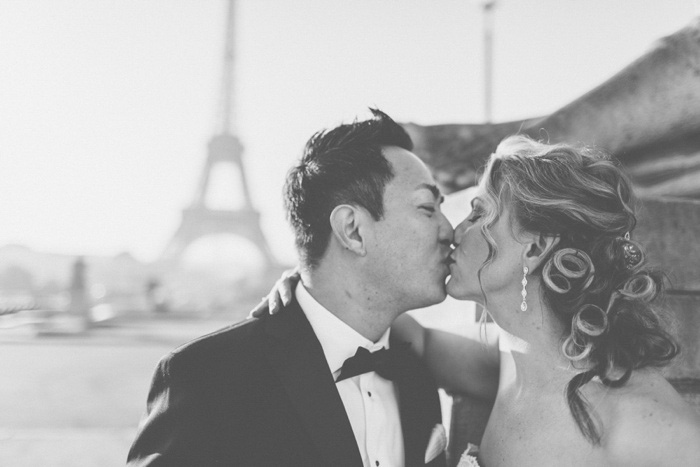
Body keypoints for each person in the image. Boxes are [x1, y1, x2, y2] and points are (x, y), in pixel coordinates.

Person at [265, 135, 700, 466]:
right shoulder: (509, 364)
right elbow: (412, 338)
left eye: (479, 213)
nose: (456, 231)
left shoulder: (642, 423)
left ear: (534, 249)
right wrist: (315, 282)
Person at [126, 109, 453, 467]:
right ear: (353, 230)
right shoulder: (208, 379)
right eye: (426, 208)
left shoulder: (416, 378)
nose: (449, 230)